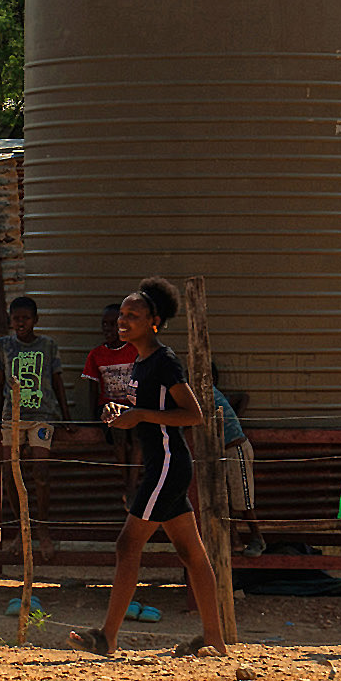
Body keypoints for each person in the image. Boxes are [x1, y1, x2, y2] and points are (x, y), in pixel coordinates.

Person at [68, 277, 227, 658]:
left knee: (128, 543)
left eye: (132, 315)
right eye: (122, 314)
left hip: (169, 465)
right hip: (162, 464)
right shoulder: (138, 361)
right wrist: (123, 413)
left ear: (154, 321)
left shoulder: (164, 361)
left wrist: (137, 413)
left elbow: (193, 415)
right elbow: (150, 415)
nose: (123, 321)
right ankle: (215, 640)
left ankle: (107, 637)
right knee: (191, 552)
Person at [0, 295, 72, 566]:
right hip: (12, 418)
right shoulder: (2, 346)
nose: (20, 323)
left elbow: (57, 381)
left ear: (35, 320)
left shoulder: (48, 346)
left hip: (43, 417)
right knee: (10, 473)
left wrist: (67, 416)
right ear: (10, 320)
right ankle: (21, 530)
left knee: (41, 471)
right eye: (16, 318)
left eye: (26, 318)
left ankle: (43, 531)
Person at [82, 303, 140, 492]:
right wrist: (92, 419)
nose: (107, 328)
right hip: (109, 410)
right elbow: (92, 389)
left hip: (134, 407)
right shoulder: (96, 355)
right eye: (104, 324)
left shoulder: (135, 351)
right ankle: (129, 486)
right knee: (118, 431)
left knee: (139, 436)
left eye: (112, 324)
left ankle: (131, 486)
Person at [211, 369, 265, 557]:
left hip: (235, 449)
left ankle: (257, 538)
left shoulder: (208, 395)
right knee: (225, 499)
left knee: (243, 498)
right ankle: (234, 541)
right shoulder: (211, 395)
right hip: (223, 451)